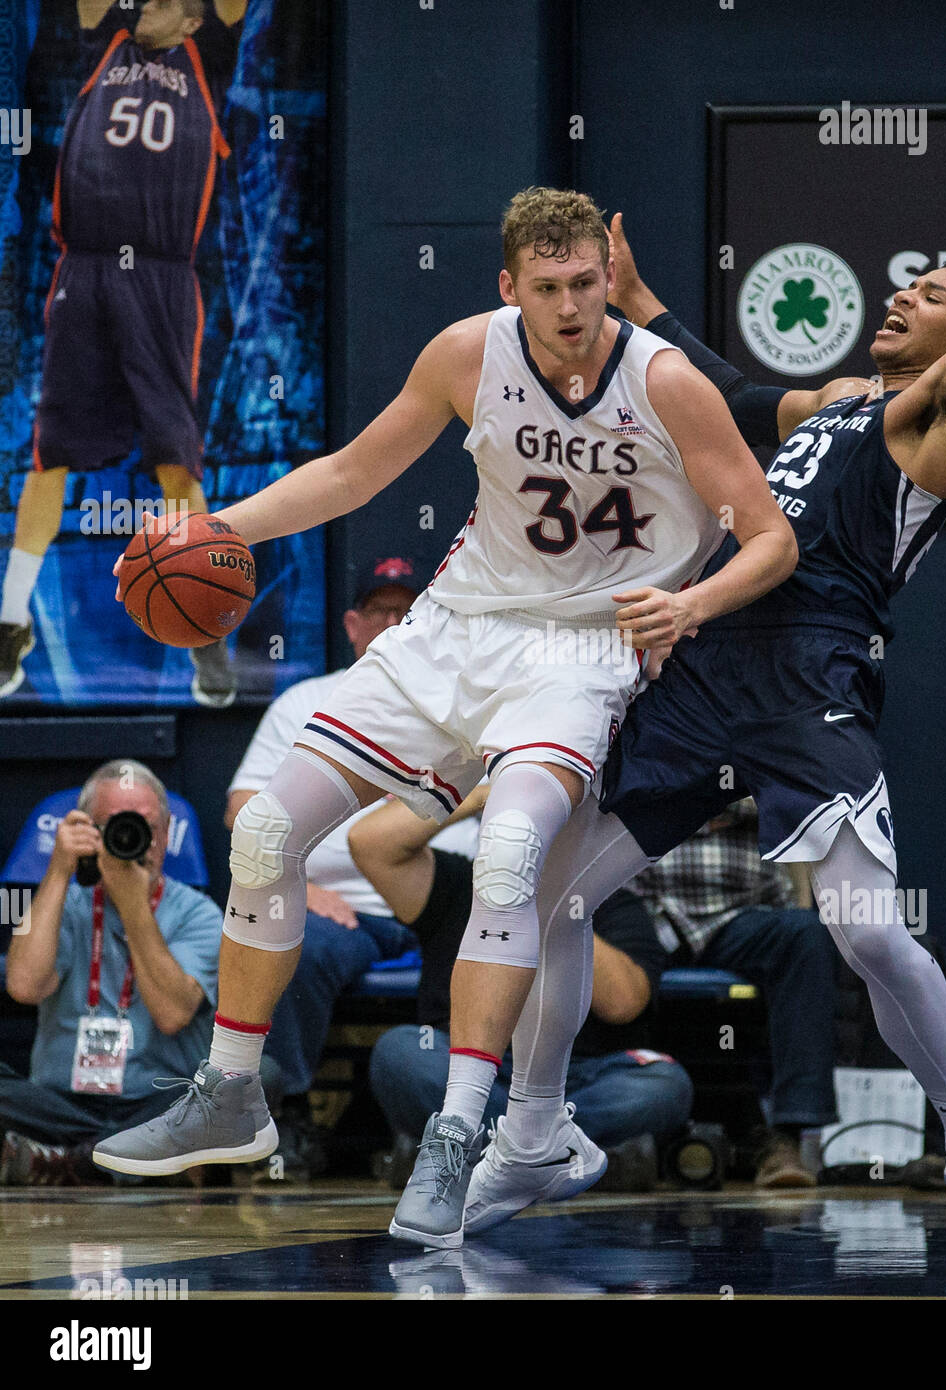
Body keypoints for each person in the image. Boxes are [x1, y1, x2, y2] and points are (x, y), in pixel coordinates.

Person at [92, 185, 797, 1253]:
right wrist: (207, 527)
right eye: (547, 287)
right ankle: (233, 1093)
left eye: (586, 283)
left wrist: (690, 603)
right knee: (268, 831)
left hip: (582, 648)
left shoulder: (670, 385)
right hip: (454, 626)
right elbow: (349, 471)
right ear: (508, 287)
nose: (570, 307)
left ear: (610, 277)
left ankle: (461, 1131)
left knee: (509, 852)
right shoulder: (468, 354)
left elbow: (770, 538)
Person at [463, 34, 946, 1245]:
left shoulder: (937, 424)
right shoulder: (830, 405)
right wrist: (638, 305)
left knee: (860, 930)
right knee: (551, 898)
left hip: (808, 674)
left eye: (932, 296)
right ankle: (532, 1130)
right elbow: (726, 389)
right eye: (906, 288)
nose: (903, 297)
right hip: (695, 666)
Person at [0, 0, 248, 708]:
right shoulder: (105, 35)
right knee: (51, 455)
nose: (153, 5)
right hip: (83, 269)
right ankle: (10, 619)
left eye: (173, 3)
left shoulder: (210, 54)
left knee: (177, 460)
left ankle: (207, 632)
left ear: (196, 22)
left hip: (165, 279)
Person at [225, 555, 476, 1175]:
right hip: (347, 908)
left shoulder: (468, 702)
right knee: (298, 948)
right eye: (379, 611)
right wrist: (301, 888)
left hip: (452, 896)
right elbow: (241, 811)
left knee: (503, 940)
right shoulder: (308, 701)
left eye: (407, 611)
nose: (393, 623)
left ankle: (453, 1129)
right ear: (352, 625)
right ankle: (285, 1120)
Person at [349, 790, 691, 1207]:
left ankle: (471, 1150)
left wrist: (554, 902)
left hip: (574, 1080)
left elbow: (623, 1003)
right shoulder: (463, 883)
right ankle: (546, 1153)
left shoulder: (614, 903)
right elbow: (369, 843)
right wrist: (480, 793)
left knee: (664, 1084)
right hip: (466, 1070)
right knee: (400, 1051)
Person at [1, 760, 220, 1183]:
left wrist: (134, 903)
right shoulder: (63, 901)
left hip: (158, 1101)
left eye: (148, 826)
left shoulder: (200, 913)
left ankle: (71, 1160)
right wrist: (58, 871)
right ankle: (129, 1160)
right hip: (62, 1101)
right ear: (90, 831)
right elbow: (23, 986)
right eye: (116, 825)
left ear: (167, 830)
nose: (135, 838)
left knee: (252, 1081)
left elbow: (172, 1014)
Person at [629, 798, 837, 1187]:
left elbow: (789, 803)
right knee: (585, 935)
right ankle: (598, 1136)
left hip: (740, 912)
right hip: (648, 912)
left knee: (806, 936)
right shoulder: (644, 738)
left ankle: (787, 1137)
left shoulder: (766, 740)